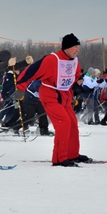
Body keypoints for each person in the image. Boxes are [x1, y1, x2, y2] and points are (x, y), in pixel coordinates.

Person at [16, 33, 90, 167]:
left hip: (65, 97)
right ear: (66, 48)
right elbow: (31, 71)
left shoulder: (74, 61)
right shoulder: (52, 59)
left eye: (78, 47)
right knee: (64, 123)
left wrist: (77, 86)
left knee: (72, 123)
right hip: (50, 96)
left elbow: (75, 75)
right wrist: (20, 86)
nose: (77, 50)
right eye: (74, 47)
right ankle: (59, 159)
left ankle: (72, 154)